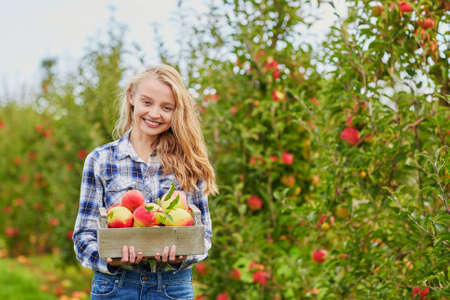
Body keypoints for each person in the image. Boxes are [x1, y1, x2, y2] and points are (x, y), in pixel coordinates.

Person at [72, 64, 218, 300]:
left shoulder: (189, 163)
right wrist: (109, 258)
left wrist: (182, 256)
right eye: (147, 102)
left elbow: (204, 236)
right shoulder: (101, 160)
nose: (155, 113)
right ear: (132, 97)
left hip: (172, 286)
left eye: (166, 107)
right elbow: (83, 235)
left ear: (176, 112)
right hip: (115, 286)